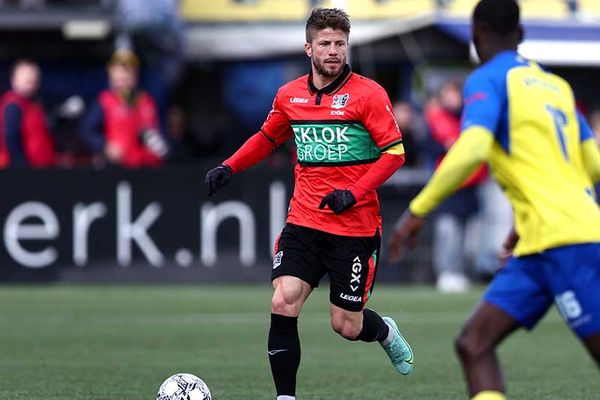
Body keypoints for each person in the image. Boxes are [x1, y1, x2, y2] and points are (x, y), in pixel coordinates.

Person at [387, 0, 600, 399]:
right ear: (520, 35)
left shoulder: (487, 78)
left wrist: (417, 210)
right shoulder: (557, 87)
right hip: (543, 241)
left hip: (567, 242)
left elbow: (473, 148)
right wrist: (529, 217)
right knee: (473, 344)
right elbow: (592, 165)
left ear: (475, 34)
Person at [205, 8, 413, 399]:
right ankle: (286, 397)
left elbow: (395, 153)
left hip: (354, 228)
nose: (333, 51)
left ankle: (385, 331)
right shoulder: (290, 95)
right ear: (308, 48)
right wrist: (229, 166)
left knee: (346, 325)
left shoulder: (369, 95)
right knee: (283, 300)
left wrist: (353, 193)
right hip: (304, 221)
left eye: (340, 44)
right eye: (325, 43)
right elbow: (268, 138)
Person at [422, 80, 488, 292]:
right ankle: (447, 273)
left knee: (471, 238)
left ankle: (464, 272)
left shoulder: (470, 117)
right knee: (448, 232)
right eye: (448, 94)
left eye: (455, 94)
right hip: (448, 185)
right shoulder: (436, 118)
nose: (452, 99)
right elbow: (430, 146)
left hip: (471, 184)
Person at [79, 50, 168, 168]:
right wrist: (105, 146)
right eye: (119, 72)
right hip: (117, 165)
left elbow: (160, 133)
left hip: (146, 165)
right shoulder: (105, 101)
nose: (123, 77)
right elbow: (87, 130)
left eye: (128, 72)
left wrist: (159, 144)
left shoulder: (147, 101)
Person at [0, 59, 55, 168]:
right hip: (23, 170)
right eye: (26, 79)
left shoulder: (34, 104)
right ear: (14, 79)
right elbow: (11, 137)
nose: (31, 82)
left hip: (40, 167)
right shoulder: (13, 105)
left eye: (34, 79)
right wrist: (21, 167)